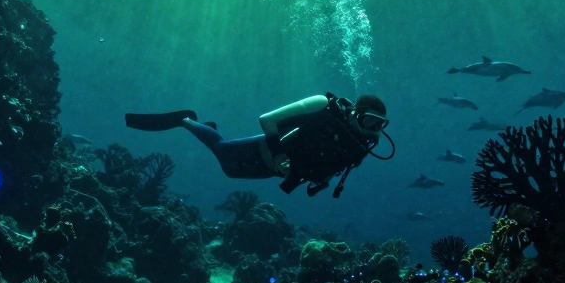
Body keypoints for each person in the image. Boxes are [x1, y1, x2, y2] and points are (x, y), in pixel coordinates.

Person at [125, 93, 393, 198]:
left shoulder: (362, 145)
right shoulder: (323, 105)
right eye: (369, 121)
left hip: (270, 172)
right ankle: (186, 121)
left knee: (229, 172)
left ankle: (207, 127)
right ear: (356, 113)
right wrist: (278, 155)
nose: (372, 129)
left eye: (378, 124)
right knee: (221, 150)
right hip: (262, 151)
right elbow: (267, 119)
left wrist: (320, 181)